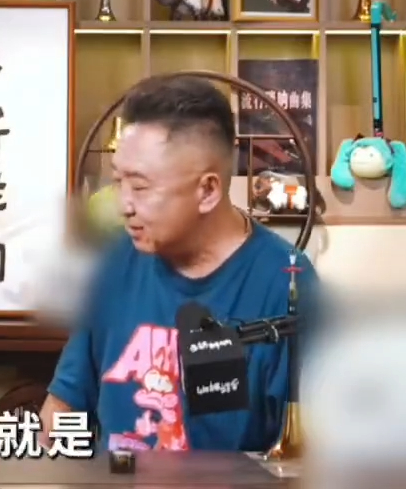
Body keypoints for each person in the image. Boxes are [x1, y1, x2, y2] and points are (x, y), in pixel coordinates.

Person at [42, 74, 318, 452]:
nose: (124, 204)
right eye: (119, 181)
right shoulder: (111, 266)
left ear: (207, 190)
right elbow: (62, 410)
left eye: (140, 187)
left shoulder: (286, 282)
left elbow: (315, 451)